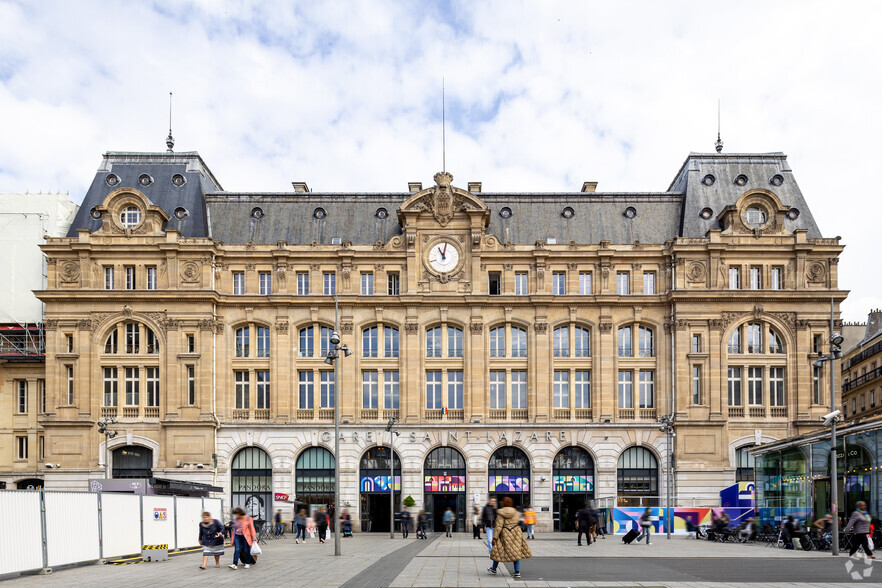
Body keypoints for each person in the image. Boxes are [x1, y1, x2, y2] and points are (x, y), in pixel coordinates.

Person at [487, 497, 532, 579]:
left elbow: (498, 526)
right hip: (516, 533)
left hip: (505, 533)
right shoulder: (515, 512)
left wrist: (495, 538)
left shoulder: (501, 513)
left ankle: (494, 568)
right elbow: (518, 521)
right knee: (516, 551)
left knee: (498, 550)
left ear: (503, 504)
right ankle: (517, 572)